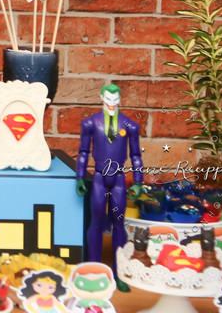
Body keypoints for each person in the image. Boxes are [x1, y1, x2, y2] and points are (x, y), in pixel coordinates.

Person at [76, 83, 142, 292]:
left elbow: (136, 155)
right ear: (101, 97)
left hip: (119, 178)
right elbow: (83, 151)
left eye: (115, 99)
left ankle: (119, 272)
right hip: (98, 177)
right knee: (96, 220)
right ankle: (94, 269)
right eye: (108, 98)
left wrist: (138, 181)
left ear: (120, 99)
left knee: (119, 223)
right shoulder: (90, 123)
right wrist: (80, 177)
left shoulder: (130, 125)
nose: (112, 103)